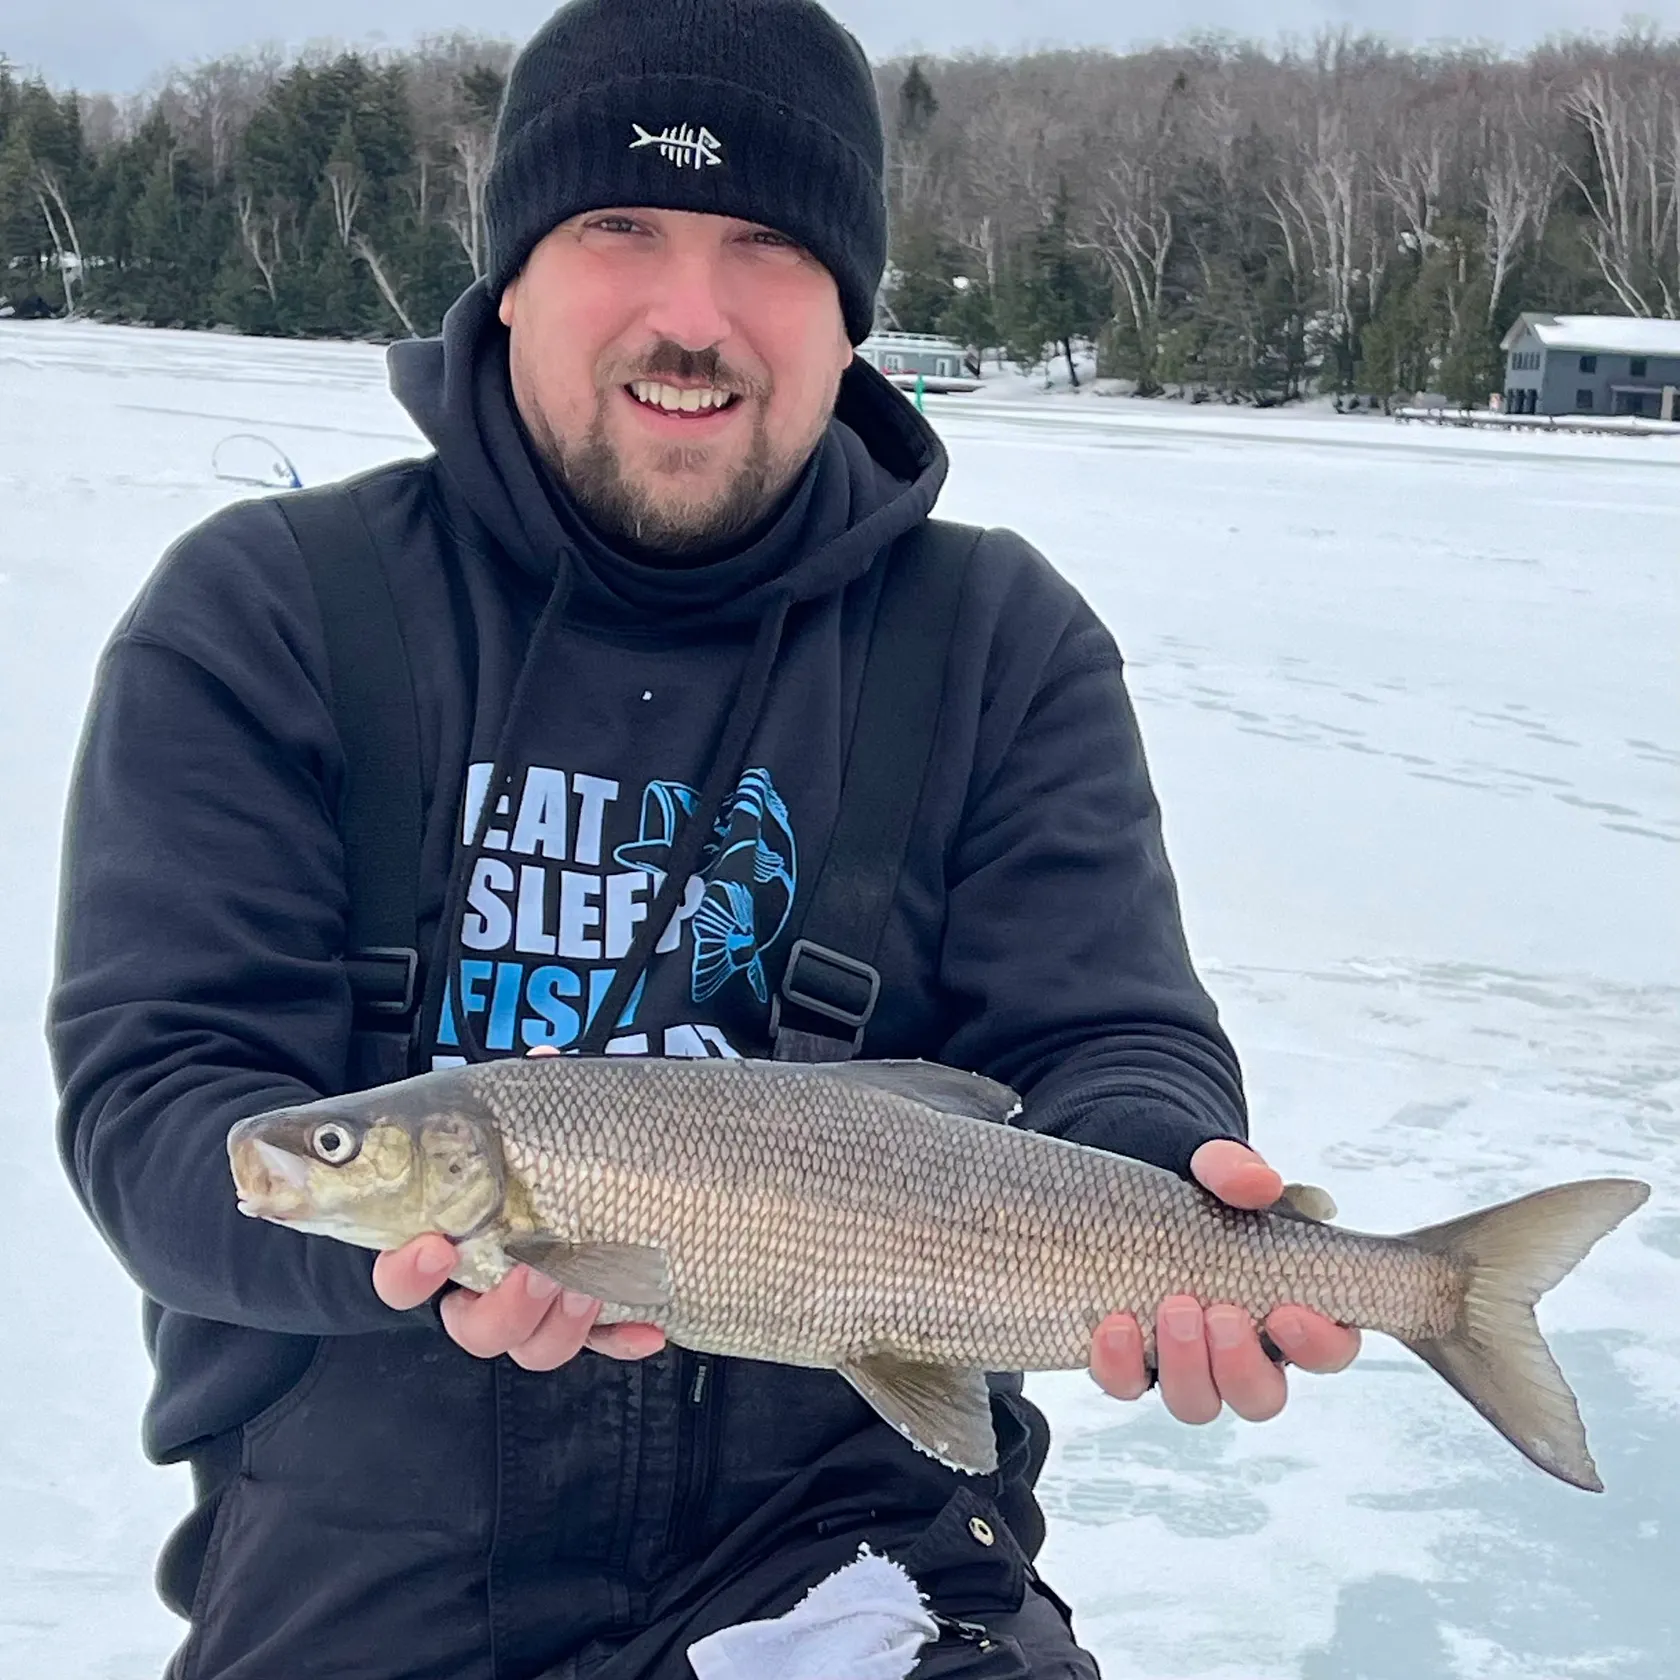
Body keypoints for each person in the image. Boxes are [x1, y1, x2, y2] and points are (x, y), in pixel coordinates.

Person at [49, 1, 1359, 1675]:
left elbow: (1106, 1030)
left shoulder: (994, 643)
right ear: (515, 269)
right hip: (363, 1557)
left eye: (767, 247)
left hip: (854, 1533)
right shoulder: (273, 615)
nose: (693, 315)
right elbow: (169, 1108)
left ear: (847, 313)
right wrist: (418, 1272)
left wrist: (1164, 1182)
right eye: (623, 229)